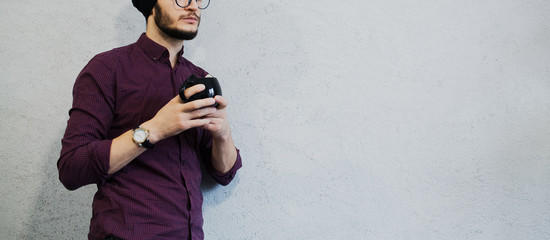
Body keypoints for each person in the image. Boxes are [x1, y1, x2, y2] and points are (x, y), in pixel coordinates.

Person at [57, 0, 242, 239]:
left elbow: (224, 174)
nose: (193, 6)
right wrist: (154, 129)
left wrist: (223, 133)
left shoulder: (200, 78)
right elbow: (72, 168)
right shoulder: (107, 68)